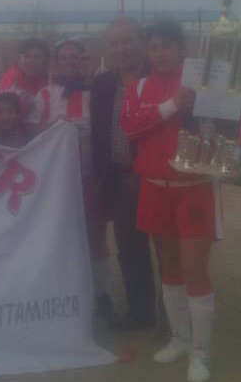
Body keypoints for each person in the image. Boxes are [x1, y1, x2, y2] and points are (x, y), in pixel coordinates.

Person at [121, 21, 241, 382]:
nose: (159, 53)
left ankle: (201, 353)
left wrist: (232, 156)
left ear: (181, 48)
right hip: (154, 187)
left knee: (194, 269)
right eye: (153, 47)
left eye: (167, 46)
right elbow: (129, 127)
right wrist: (173, 105)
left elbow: (238, 125)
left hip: (194, 187)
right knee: (170, 266)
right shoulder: (140, 86)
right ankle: (180, 338)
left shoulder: (206, 82)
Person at [28, 38, 111, 313]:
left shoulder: (97, 93)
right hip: (56, 182)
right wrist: (54, 128)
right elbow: (31, 134)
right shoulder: (44, 95)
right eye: (64, 57)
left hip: (91, 176)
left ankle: (101, 294)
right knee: (57, 236)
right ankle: (61, 293)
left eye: (75, 56)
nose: (70, 61)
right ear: (56, 63)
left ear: (83, 59)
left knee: (95, 235)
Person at [90, 17, 156, 331]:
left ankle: (177, 320)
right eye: (114, 43)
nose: (121, 48)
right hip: (120, 178)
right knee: (130, 249)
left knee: (169, 250)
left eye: (127, 40)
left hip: (156, 177)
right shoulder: (102, 82)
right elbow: (98, 134)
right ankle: (141, 314)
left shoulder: (159, 76)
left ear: (141, 40)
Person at [0, 37, 50, 106]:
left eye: (37, 57)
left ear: (45, 61)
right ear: (19, 59)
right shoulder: (11, 81)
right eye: (27, 56)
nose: (31, 61)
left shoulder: (50, 83)